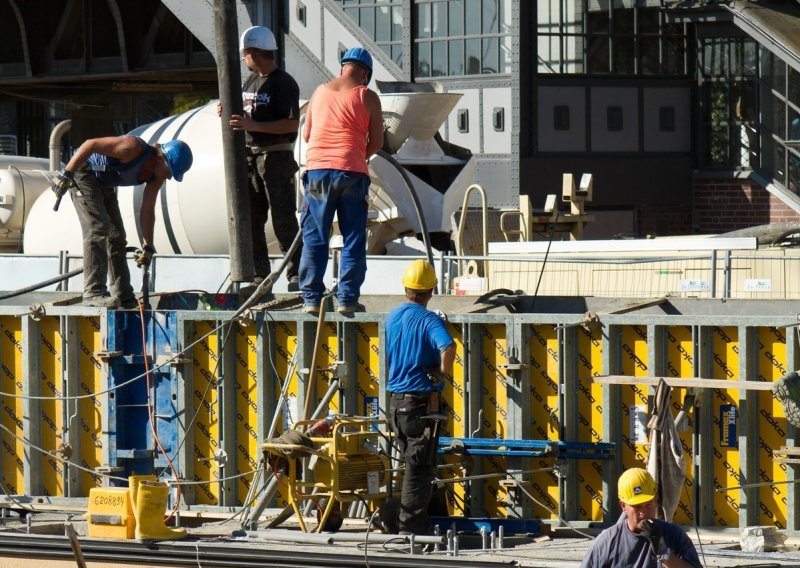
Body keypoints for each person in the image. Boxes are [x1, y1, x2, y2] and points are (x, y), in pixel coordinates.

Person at [51, 135, 193, 308]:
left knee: (117, 236)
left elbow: (148, 211)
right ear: (160, 158)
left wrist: (148, 246)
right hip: (83, 172)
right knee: (97, 227)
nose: (169, 177)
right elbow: (90, 144)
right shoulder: (132, 147)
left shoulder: (157, 176)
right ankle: (93, 293)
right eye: (170, 171)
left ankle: (123, 294)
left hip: (104, 182)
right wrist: (66, 174)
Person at [298, 46, 384, 315]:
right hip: (352, 173)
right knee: (354, 237)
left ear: (342, 68)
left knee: (316, 235)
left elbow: (308, 135)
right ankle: (347, 299)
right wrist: (356, 155)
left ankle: (312, 298)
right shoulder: (367, 97)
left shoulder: (319, 93)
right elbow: (378, 143)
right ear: (365, 74)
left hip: (319, 172)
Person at [226, 25, 302, 291]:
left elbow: (292, 125)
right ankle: (260, 275)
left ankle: (296, 275)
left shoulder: (283, 82)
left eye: (246, 53)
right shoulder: (250, 82)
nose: (245, 58)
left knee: (283, 217)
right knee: (253, 217)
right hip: (250, 157)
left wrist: (255, 126)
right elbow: (246, 115)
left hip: (275, 157)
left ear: (254, 53)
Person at [385, 259, 455, 535]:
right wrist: (442, 375)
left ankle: (413, 517)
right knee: (420, 467)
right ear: (431, 290)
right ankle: (412, 527)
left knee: (412, 464)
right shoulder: (428, 319)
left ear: (406, 288)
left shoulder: (392, 317)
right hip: (419, 404)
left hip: (396, 404)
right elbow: (448, 347)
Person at [581, 468, 702, 568]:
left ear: (656, 499)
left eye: (648, 504)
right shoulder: (607, 542)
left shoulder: (674, 535)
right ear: (623, 506)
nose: (643, 512)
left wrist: (664, 553)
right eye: (637, 506)